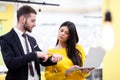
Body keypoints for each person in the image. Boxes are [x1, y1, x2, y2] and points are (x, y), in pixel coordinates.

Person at [0, 5, 62, 80]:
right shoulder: (6, 39)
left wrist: (52, 60)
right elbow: (11, 63)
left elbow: (41, 60)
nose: (35, 24)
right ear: (22, 19)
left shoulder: (32, 39)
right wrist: (34, 54)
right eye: (32, 21)